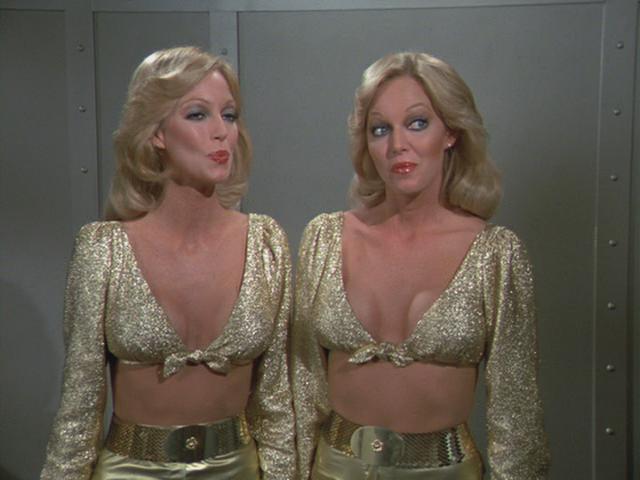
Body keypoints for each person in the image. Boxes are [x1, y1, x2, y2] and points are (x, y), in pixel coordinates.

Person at [40, 46, 295, 480]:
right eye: (198, 115)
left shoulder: (266, 243)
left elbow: (275, 404)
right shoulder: (105, 249)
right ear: (157, 133)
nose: (221, 133)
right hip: (131, 471)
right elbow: (79, 411)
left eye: (229, 115)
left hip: (237, 468)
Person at [292, 51, 550, 479]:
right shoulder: (325, 238)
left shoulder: (495, 253)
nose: (397, 145)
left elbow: (516, 413)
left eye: (416, 123)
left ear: (450, 133)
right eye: (380, 129)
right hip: (335, 468)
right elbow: (302, 390)